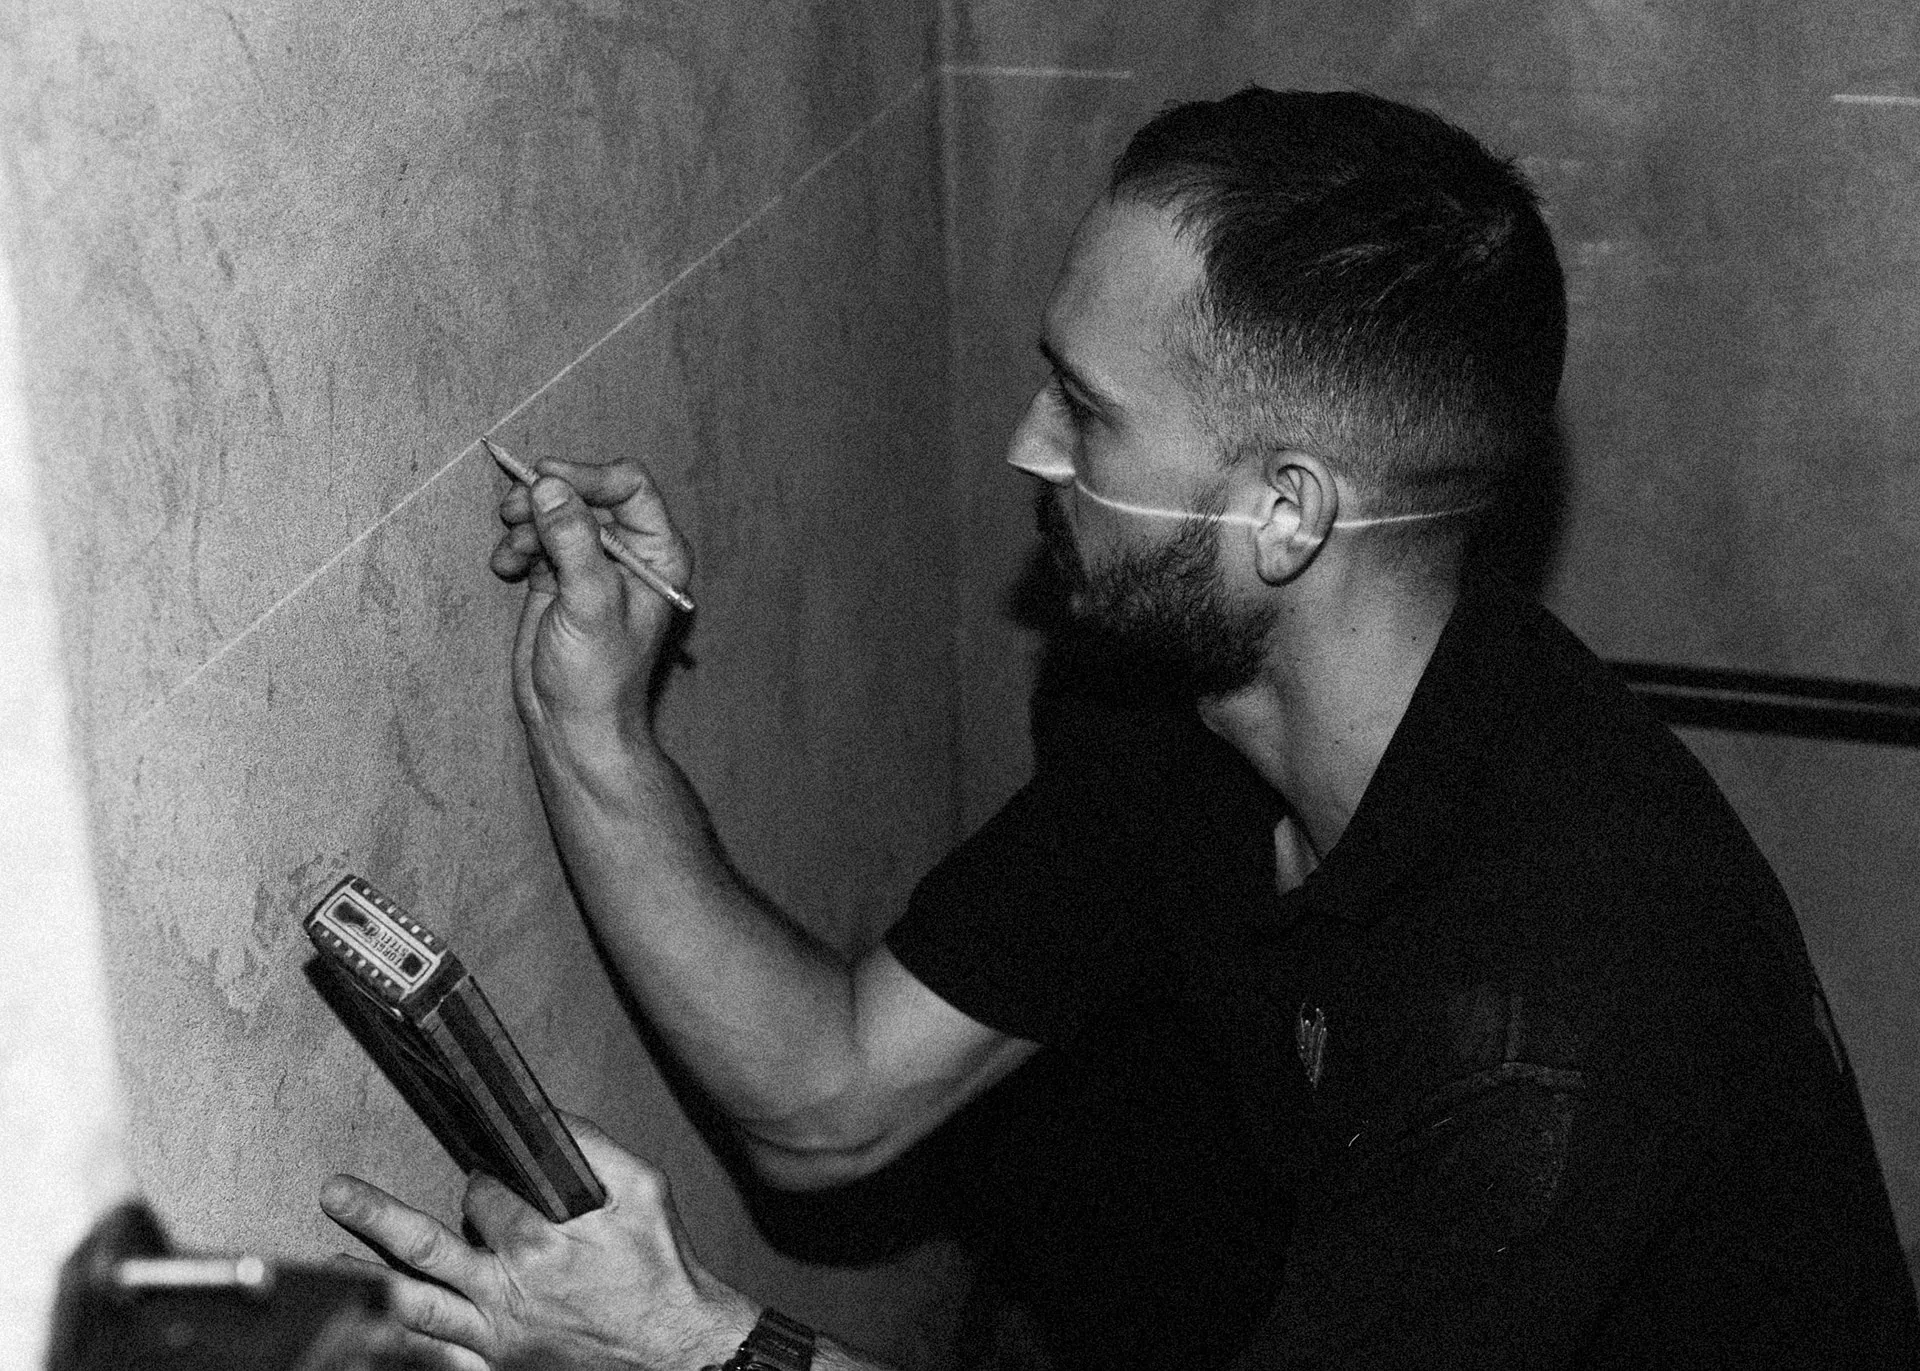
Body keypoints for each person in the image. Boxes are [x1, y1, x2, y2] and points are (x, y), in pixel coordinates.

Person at [324, 88, 1920, 1368]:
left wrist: (692, 1341)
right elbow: (829, 1096)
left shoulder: (1539, 1035)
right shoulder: (1203, 705)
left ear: (1283, 512)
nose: (1029, 448)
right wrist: (592, 718)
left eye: (1086, 413)